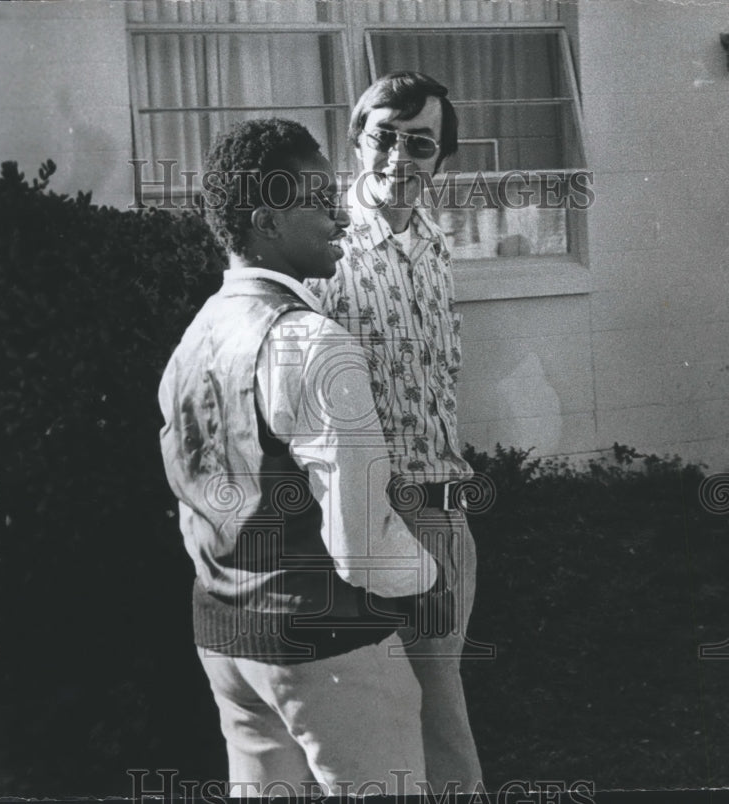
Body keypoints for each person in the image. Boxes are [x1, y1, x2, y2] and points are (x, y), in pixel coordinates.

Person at [158, 118, 447, 797]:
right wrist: (432, 574)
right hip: (329, 646)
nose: (342, 214)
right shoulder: (312, 342)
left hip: (226, 641)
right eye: (319, 199)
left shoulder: (196, 336)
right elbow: (362, 549)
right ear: (265, 221)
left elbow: (193, 506)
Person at [307, 72, 484, 793]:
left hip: (448, 513)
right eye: (384, 137)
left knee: (425, 705)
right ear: (356, 141)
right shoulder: (325, 250)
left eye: (421, 144)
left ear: (440, 158)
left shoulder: (435, 244)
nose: (399, 159)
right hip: (375, 516)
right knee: (419, 714)